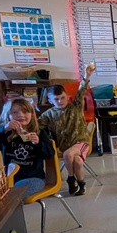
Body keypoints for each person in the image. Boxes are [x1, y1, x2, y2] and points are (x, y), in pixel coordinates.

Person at [38, 62, 96, 195]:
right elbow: (37, 125)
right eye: (56, 99)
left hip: (81, 142)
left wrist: (87, 75)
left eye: (62, 98)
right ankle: (81, 184)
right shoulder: (49, 114)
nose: (60, 101)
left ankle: (70, 179)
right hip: (66, 145)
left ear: (67, 96)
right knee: (76, 161)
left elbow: (81, 90)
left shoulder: (74, 106)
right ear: (50, 100)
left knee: (68, 155)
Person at [0, 97, 54, 199]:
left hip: (33, 178)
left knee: (12, 196)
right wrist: (3, 130)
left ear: (31, 114)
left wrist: (38, 143)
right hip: (8, 179)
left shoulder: (39, 132)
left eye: (25, 112)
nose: (20, 115)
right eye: (14, 112)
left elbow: (50, 154)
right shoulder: (5, 133)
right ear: (8, 115)